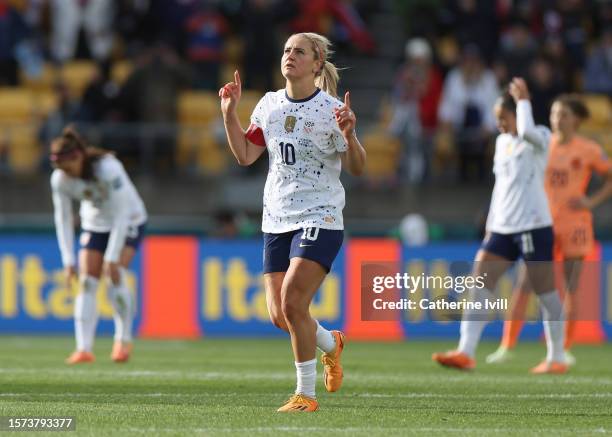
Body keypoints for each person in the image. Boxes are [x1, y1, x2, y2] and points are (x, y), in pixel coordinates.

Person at [219, 32, 366, 412]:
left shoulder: (331, 111)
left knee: (293, 300)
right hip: (276, 218)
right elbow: (246, 155)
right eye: (286, 50)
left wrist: (351, 137)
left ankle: (306, 394)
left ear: (317, 63)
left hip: (321, 215)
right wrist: (228, 114)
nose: (290, 56)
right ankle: (332, 345)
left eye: (299, 51)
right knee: (279, 315)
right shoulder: (268, 105)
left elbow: (358, 168)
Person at [432, 78, 567, 374]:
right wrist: (492, 225)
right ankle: (465, 352)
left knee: (545, 292)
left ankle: (556, 356)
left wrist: (523, 102)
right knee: (480, 279)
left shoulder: (540, 136)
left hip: (533, 226)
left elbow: (527, 130)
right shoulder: (502, 142)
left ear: (516, 113)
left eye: (502, 118)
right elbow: (500, 187)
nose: (499, 125)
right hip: (503, 227)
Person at [487, 95, 612, 366]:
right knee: (524, 284)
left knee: (571, 288)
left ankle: (563, 349)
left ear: (576, 119)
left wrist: (591, 201)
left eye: (563, 114)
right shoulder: (541, 143)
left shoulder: (588, 149)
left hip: (574, 225)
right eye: (554, 114)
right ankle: (507, 345)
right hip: (540, 222)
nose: (557, 119)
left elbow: (609, 175)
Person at [50, 126, 147, 364]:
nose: (65, 173)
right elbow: (62, 218)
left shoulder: (109, 169)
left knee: (115, 274)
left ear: (78, 157)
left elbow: (122, 213)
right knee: (86, 281)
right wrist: (68, 260)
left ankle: (122, 341)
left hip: (129, 220)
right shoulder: (60, 179)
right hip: (94, 224)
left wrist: (112, 258)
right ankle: (84, 348)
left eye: (68, 167)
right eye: (60, 169)